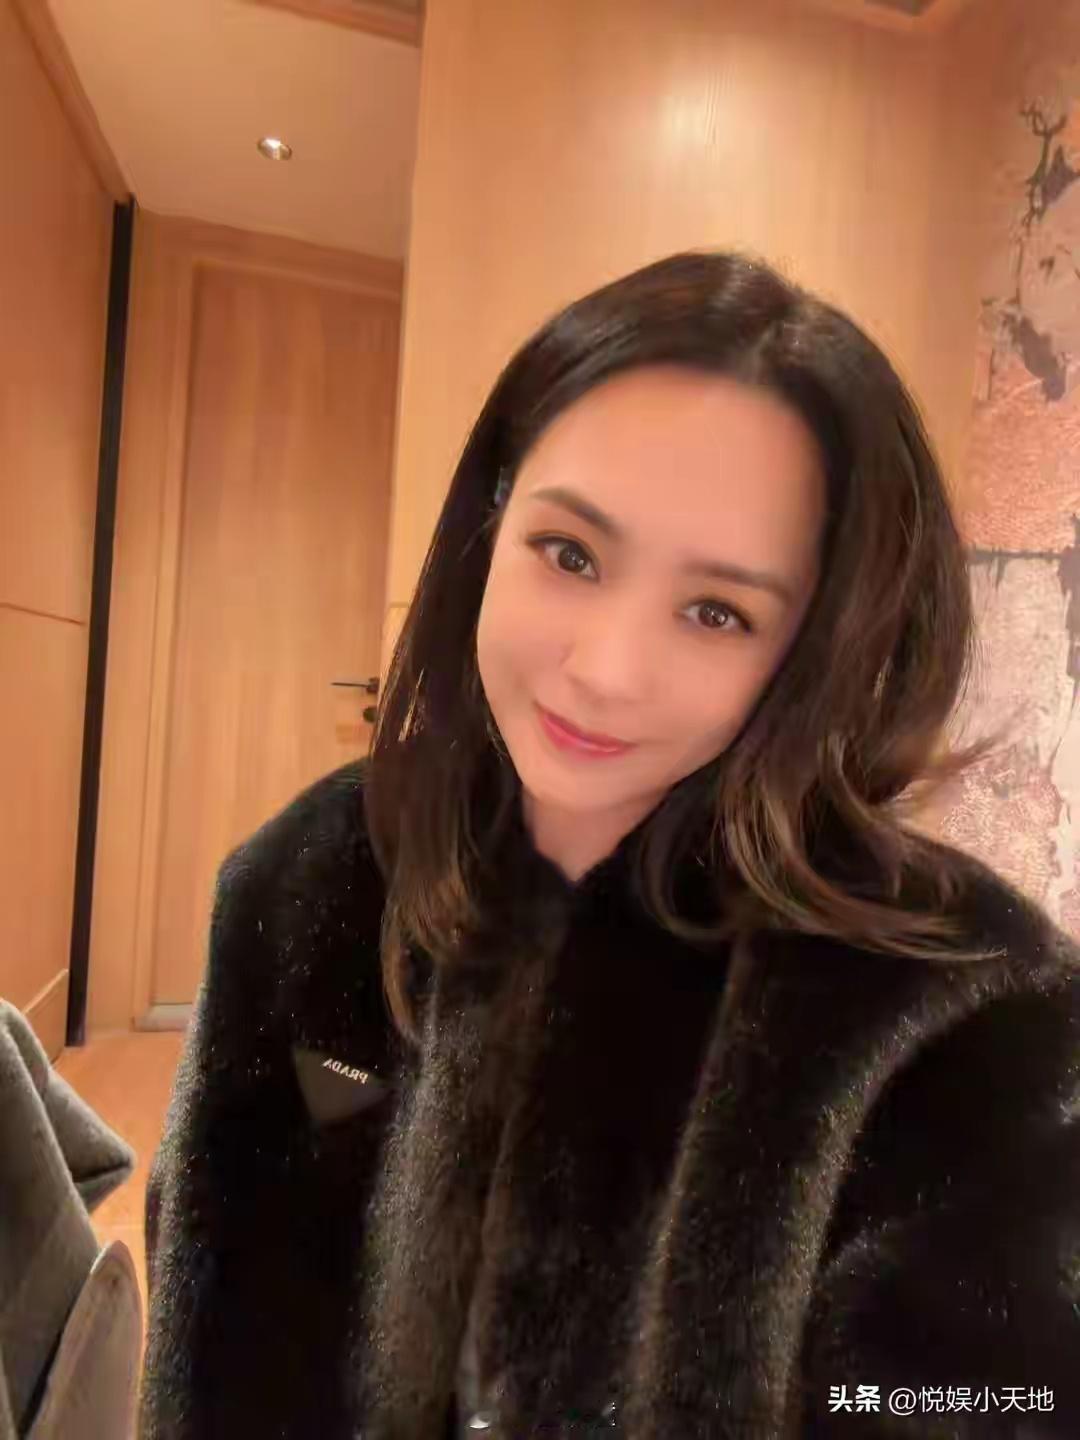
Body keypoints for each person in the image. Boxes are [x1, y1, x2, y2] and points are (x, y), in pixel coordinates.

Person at [138, 251, 1080, 1440]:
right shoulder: (310, 879)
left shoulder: (963, 1013)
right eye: (570, 554)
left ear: (814, 651)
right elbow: (214, 1331)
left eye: (717, 612)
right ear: (490, 525)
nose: (606, 670)